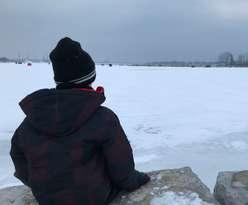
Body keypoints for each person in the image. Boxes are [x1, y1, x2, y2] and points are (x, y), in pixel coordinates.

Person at [10, 37, 150, 205]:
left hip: (47, 199)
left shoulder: (31, 121)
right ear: (89, 78)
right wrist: (139, 180)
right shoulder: (103, 118)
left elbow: (18, 157)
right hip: (95, 198)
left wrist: (42, 187)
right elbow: (122, 172)